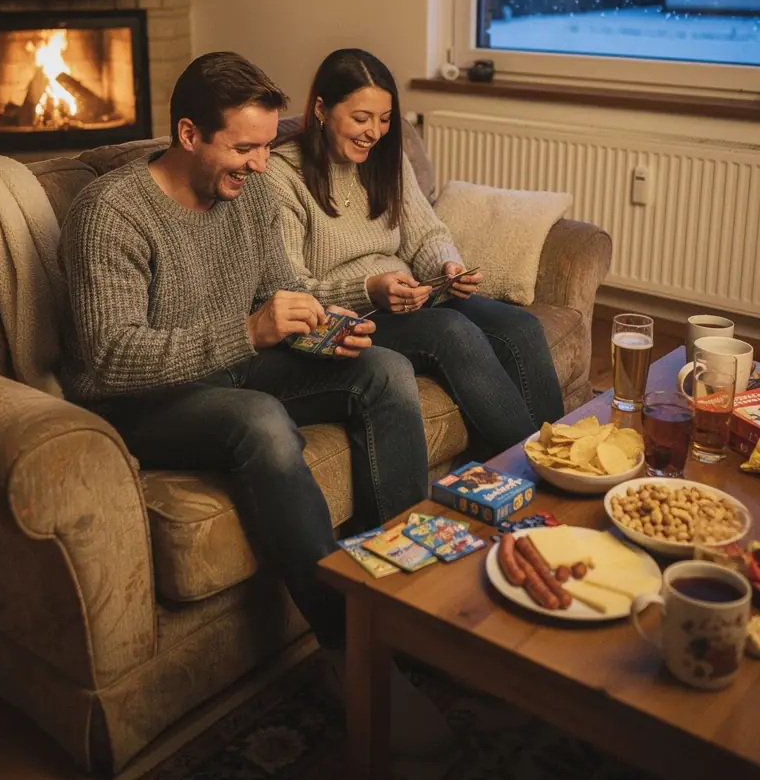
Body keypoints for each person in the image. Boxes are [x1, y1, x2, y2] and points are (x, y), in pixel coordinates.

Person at [58, 51, 431, 655]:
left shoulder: (251, 194)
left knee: (385, 370)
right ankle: (353, 647)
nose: (261, 164)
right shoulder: (110, 213)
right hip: (138, 399)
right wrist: (249, 332)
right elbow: (111, 357)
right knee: (260, 420)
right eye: (243, 149)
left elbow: (283, 289)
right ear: (188, 134)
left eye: (264, 147)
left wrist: (324, 324)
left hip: (230, 367)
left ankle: (409, 594)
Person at [265, 48, 564, 457]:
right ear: (321, 109)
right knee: (451, 332)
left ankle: (564, 456)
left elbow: (425, 234)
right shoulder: (283, 177)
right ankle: (533, 467)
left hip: (411, 297)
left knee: (521, 327)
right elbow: (291, 289)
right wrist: (369, 289)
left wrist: (446, 266)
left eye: (384, 119)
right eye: (360, 118)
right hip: (354, 316)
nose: (374, 132)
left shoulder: (385, 159)